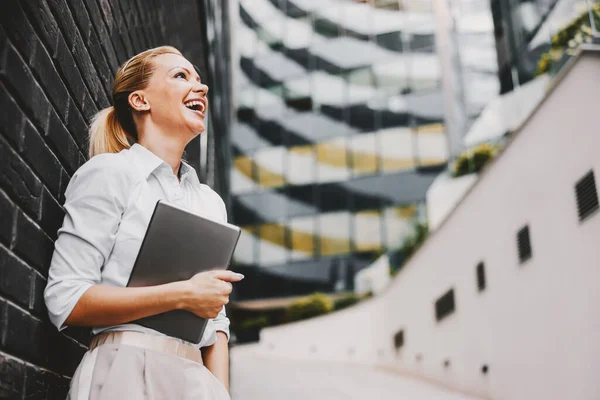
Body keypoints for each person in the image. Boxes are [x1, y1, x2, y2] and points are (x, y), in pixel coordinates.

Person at [44, 46, 244, 400]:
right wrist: (183, 295)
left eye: (199, 79)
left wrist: (221, 393)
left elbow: (217, 325)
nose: (202, 88)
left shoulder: (210, 202)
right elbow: (66, 298)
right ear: (140, 100)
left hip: (198, 382)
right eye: (181, 76)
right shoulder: (110, 173)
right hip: (124, 369)